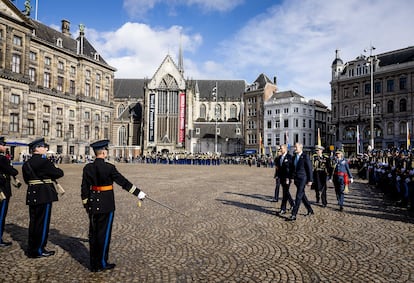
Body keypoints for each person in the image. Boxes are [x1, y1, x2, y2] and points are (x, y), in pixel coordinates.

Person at [81, 139, 147, 272]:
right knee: (104, 235)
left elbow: (84, 188)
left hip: (93, 204)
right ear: (104, 152)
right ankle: (102, 263)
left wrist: (86, 204)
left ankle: (94, 264)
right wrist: (138, 193)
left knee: (93, 234)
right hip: (106, 204)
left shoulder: (88, 168)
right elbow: (123, 182)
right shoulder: (109, 168)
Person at [22, 138, 64, 258]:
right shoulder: (44, 162)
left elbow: (26, 180)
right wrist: (54, 167)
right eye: (44, 146)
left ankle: (32, 248)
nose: (46, 148)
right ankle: (39, 249)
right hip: (43, 195)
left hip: (32, 194)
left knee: (34, 222)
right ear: (37, 148)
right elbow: (59, 174)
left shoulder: (27, 163)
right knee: (43, 223)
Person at [0, 137, 19, 247]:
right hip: (2, 190)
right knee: (1, 215)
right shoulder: (2, 159)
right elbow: (13, 171)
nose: (4, 147)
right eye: (2, 145)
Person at [287, 142, 314, 221]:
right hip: (296, 179)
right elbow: (292, 169)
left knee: (298, 196)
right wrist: (290, 177)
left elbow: (309, 169)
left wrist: (310, 180)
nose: (295, 148)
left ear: (300, 148)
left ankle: (294, 214)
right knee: (302, 195)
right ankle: (310, 209)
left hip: (303, 178)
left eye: (296, 147)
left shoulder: (305, 157)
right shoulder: (294, 157)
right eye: (294, 147)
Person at [275, 144, 294, 214]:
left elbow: (291, 169)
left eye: (282, 148)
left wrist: (289, 178)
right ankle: (292, 204)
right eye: (280, 148)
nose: (280, 149)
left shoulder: (289, 157)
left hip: (287, 178)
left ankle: (283, 209)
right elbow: (278, 168)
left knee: (284, 193)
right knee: (286, 192)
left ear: (285, 149)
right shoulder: (280, 157)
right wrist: (277, 176)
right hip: (281, 178)